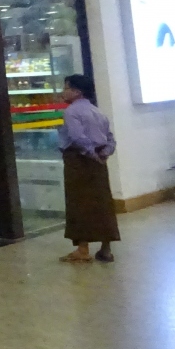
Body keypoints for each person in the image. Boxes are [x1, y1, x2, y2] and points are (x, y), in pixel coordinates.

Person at [58, 74, 120, 263]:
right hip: (99, 161)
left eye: (66, 88)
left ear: (77, 92)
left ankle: (82, 249)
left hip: (79, 161)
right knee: (102, 203)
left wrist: (91, 154)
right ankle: (106, 249)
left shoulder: (71, 112)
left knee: (79, 203)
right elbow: (110, 139)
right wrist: (103, 154)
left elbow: (77, 138)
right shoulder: (97, 111)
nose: (63, 92)